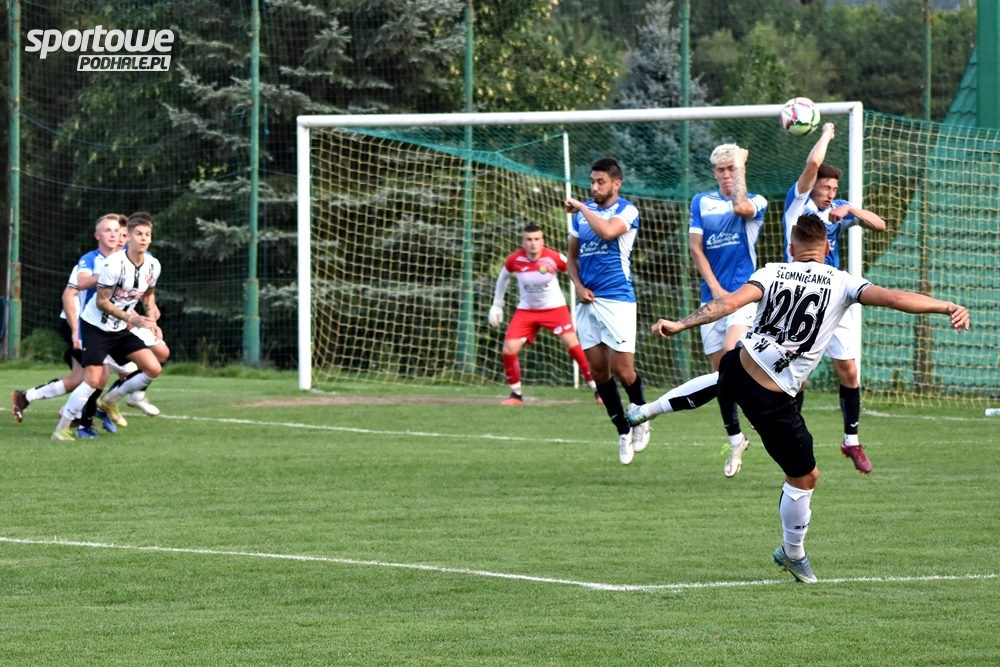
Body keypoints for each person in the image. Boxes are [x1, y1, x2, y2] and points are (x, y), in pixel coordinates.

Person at [626, 213, 969, 583]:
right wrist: (946, 306)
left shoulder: (773, 271)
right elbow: (896, 298)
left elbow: (726, 304)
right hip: (771, 397)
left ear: (791, 248)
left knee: (722, 378)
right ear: (828, 247)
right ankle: (792, 554)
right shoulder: (843, 281)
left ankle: (645, 411)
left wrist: (680, 324)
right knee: (805, 477)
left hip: (740, 362)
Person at [782, 122, 887, 474]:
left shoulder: (838, 209)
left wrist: (852, 210)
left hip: (835, 300)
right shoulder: (797, 205)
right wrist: (826, 132)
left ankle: (851, 440)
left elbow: (880, 225)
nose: (830, 193)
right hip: (799, 301)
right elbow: (813, 164)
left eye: (834, 189)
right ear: (812, 186)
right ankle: (789, 437)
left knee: (849, 371)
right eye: (825, 187)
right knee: (798, 377)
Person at [564, 157, 650, 465]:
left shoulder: (627, 210)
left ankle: (641, 415)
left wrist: (582, 207)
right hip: (588, 302)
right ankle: (623, 430)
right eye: (592, 181)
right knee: (599, 371)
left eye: (601, 182)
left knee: (623, 371)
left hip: (617, 299)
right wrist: (577, 286)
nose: (594, 187)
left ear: (616, 184)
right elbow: (571, 259)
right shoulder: (581, 215)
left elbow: (607, 233)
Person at [689, 144, 768, 477]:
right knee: (722, 377)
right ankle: (735, 438)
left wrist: (741, 167)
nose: (726, 175)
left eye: (731, 169)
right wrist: (715, 288)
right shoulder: (700, 202)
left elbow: (740, 206)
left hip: (743, 296)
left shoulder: (757, 201)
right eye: (721, 170)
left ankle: (768, 412)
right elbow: (695, 247)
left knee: (731, 355)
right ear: (714, 172)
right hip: (712, 298)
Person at [51, 214, 164, 441]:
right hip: (95, 327)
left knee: (153, 368)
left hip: (119, 327)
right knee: (93, 380)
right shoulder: (113, 264)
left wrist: (151, 319)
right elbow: (101, 302)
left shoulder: (153, 265)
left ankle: (111, 401)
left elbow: (148, 295)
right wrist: (131, 319)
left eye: (147, 235)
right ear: (128, 237)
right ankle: (61, 429)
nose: (143, 239)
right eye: (138, 234)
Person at [11, 213, 124, 437]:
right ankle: (81, 421)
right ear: (98, 235)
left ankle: (26, 397)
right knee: (97, 376)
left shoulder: (123, 261)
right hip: (80, 324)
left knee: (80, 378)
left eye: (119, 233)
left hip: (99, 327)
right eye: (110, 231)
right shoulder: (89, 261)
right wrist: (76, 330)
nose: (116, 237)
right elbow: (69, 294)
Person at [488, 223, 600, 405]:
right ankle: (516, 395)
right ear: (523, 242)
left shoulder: (553, 257)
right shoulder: (515, 259)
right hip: (526, 311)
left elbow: (574, 268)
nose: (533, 243)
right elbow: (503, 278)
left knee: (573, 346)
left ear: (543, 241)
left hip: (555, 309)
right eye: (529, 239)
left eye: (537, 239)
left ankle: (598, 390)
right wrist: (497, 305)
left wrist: (586, 289)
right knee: (509, 349)